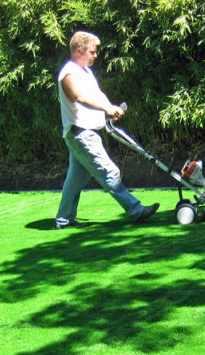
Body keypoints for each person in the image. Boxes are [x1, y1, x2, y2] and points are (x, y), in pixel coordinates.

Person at [55, 31, 159, 229]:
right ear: (79, 51)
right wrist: (106, 108)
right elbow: (78, 97)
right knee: (109, 171)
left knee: (75, 180)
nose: (96, 56)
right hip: (80, 133)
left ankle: (63, 219)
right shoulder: (68, 73)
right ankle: (136, 211)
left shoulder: (85, 71)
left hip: (86, 133)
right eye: (92, 52)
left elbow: (97, 94)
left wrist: (111, 107)